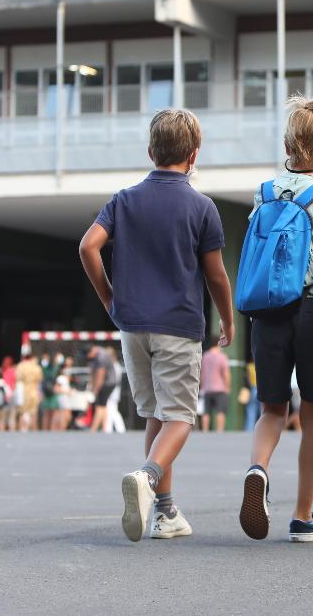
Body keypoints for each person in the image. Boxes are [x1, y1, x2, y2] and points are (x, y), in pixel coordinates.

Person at [78, 108, 234, 543]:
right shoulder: (201, 207)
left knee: (155, 413)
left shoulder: (124, 200)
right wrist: (227, 316)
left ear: (150, 152)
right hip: (179, 326)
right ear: (194, 155)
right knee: (181, 417)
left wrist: (110, 298)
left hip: (132, 326)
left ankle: (165, 513)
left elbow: (88, 246)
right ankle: (148, 476)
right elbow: (216, 274)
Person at [238, 95, 313, 544]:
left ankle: (257, 469)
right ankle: (303, 516)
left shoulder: (263, 192)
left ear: (287, 142)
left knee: (271, 407)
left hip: (268, 310)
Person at [199, 342, 231, 433]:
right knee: (220, 411)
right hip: (220, 388)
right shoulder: (222, 357)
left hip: (207, 388)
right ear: (218, 345)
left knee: (206, 411)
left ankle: (205, 431)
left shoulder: (205, 356)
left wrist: (202, 386)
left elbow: (202, 373)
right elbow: (226, 373)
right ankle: (219, 431)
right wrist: (227, 386)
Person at [89, 346, 121, 433]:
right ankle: (105, 428)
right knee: (104, 406)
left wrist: (95, 390)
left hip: (107, 384)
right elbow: (93, 374)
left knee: (100, 406)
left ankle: (93, 429)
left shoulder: (101, 357)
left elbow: (100, 376)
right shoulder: (99, 357)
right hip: (108, 384)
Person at [15, 353, 43, 432]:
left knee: (22, 412)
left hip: (23, 391)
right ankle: (33, 429)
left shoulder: (20, 366)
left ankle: (23, 428)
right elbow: (39, 381)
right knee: (33, 412)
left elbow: (18, 379)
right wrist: (40, 393)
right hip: (33, 391)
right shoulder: (36, 367)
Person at [0, 355, 19, 431]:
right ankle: (12, 430)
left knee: (4, 416)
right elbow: (15, 382)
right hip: (11, 394)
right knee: (12, 415)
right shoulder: (13, 370)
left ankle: (2, 431)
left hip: (5, 395)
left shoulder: (3, 371)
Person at [242, 359, 260, 432]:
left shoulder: (249, 366)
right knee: (264, 411)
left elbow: (248, 381)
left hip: (253, 389)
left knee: (251, 410)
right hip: (262, 388)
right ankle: (262, 430)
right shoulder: (263, 365)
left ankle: (249, 429)